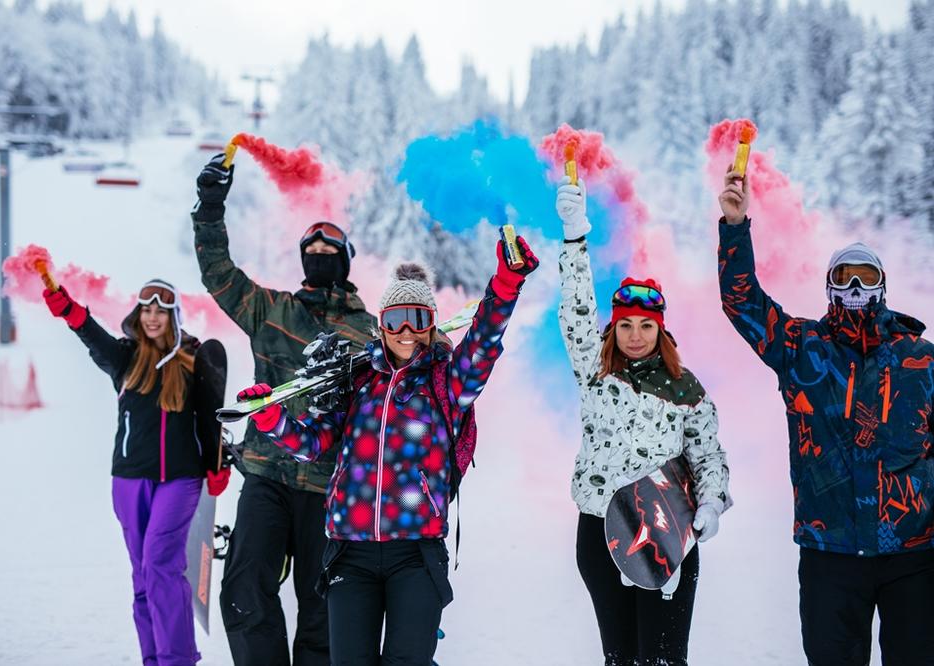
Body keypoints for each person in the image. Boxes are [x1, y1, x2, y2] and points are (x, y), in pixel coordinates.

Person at [235, 235, 539, 665]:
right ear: (381, 325)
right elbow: (312, 444)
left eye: (418, 319)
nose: (406, 331)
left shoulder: (446, 384)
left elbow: (483, 342)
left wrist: (506, 284)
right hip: (349, 552)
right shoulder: (357, 382)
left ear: (431, 325)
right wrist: (272, 420)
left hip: (414, 552)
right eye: (396, 320)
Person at [718, 168, 934, 665]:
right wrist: (734, 227)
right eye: (844, 275)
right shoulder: (801, 348)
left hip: (914, 553)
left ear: (883, 287)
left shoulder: (920, 359)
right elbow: (742, 302)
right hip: (829, 551)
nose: (855, 286)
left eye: (866, 276)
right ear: (829, 286)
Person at [191, 154, 377, 666]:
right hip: (266, 475)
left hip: (327, 486)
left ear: (344, 261)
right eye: (310, 251)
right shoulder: (271, 310)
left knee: (324, 606)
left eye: (328, 250)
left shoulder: (369, 333)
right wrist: (210, 206)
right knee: (244, 589)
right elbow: (218, 273)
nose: (318, 256)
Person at [556, 177, 731, 666]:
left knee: (663, 659)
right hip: (600, 530)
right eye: (626, 325)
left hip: (666, 533)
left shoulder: (685, 387)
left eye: (646, 326)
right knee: (620, 658)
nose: (635, 336)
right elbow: (576, 311)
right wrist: (574, 238)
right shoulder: (596, 371)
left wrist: (712, 501)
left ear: (661, 329)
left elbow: (708, 455)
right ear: (614, 327)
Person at [43, 278, 229, 666]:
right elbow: (93, 338)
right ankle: (154, 659)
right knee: (143, 575)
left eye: (161, 310)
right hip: (129, 480)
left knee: (161, 564)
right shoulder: (126, 358)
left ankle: (177, 660)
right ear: (138, 314)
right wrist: (71, 311)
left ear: (174, 316)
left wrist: (218, 463)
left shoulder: (192, 359)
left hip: (179, 480)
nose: (152, 317)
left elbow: (209, 418)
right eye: (146, 309)